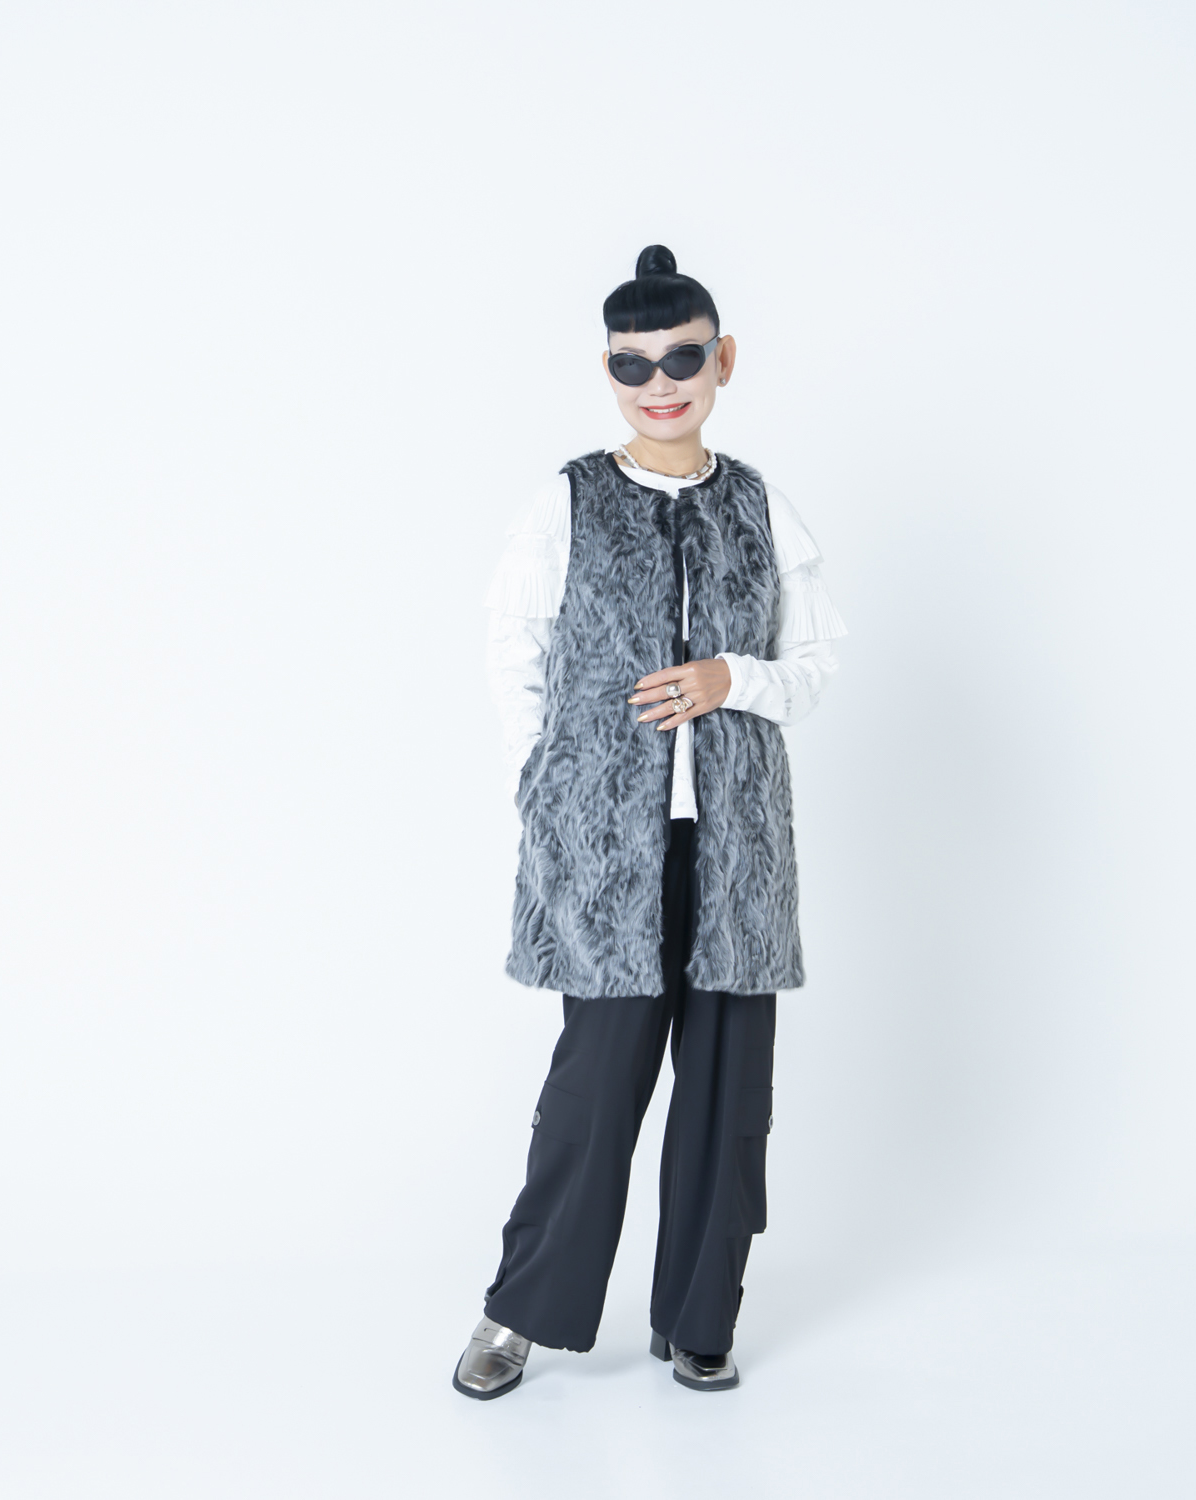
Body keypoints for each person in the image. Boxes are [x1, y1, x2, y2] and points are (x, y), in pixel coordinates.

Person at [453, 246, 846, 1399]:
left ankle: (699, 1319)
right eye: (634, 365)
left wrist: (731, 678)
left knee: (728, 1095)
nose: (660, 383)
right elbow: (514, 656)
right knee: (594, 1088)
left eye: (682, 359)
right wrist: (554, 782)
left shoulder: (761, 504)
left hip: (734, 846)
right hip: (607, 849)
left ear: (723, 360)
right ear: (610, 372)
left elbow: (813, 668)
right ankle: (520, 1312)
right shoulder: (568, 498)